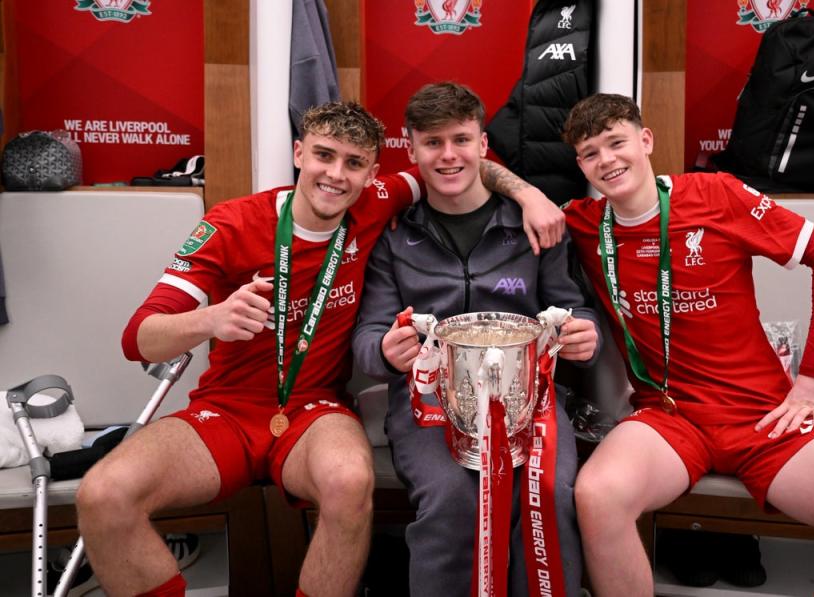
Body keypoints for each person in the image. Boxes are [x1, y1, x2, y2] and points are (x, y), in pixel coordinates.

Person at [74, 101, 565, 597]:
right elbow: (137, 337)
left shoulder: (377, 198)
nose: (335, 175)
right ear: (298, 154)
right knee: (102, 494)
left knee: (349, 484)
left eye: (353, 163)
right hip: (226, 411)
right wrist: (211, 319)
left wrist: (531, 196)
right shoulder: (232, 224)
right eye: (323, 156)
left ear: (371, 172)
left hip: (315, 411)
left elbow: (459, 162)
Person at [559, 93, 814, 596]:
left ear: (645, 141)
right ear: (580, 164)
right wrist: (523, 192)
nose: (607, 161)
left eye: (616, 143)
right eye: (590, 153)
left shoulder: (716, 193)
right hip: (669, 418)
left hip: (760, 416)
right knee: (597, 495)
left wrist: (812, 378)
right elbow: (482, 184)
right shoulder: (583, 223)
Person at [352, 82, 600, 597]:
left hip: (525, 399)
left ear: (483, 144)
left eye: (461, 140)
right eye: (433, 142)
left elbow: (571, 305)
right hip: (429, 402)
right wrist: (383, 352)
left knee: (549, 493)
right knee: (451, 497)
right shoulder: (393, 234)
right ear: (411, 146)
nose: (448, 155)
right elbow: (368, 334)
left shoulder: (533, 223)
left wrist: (582, 332)